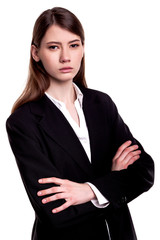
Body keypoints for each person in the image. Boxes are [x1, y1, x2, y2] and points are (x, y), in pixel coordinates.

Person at [6, 7, 154, 240]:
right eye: (54, 47)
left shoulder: (101, 103)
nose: (65, 57)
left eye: (73, 45)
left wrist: (88, 190)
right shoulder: (23, 122)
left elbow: (144, 171)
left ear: (83, 49)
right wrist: (113, 181)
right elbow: (55, 211)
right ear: (36, 53)